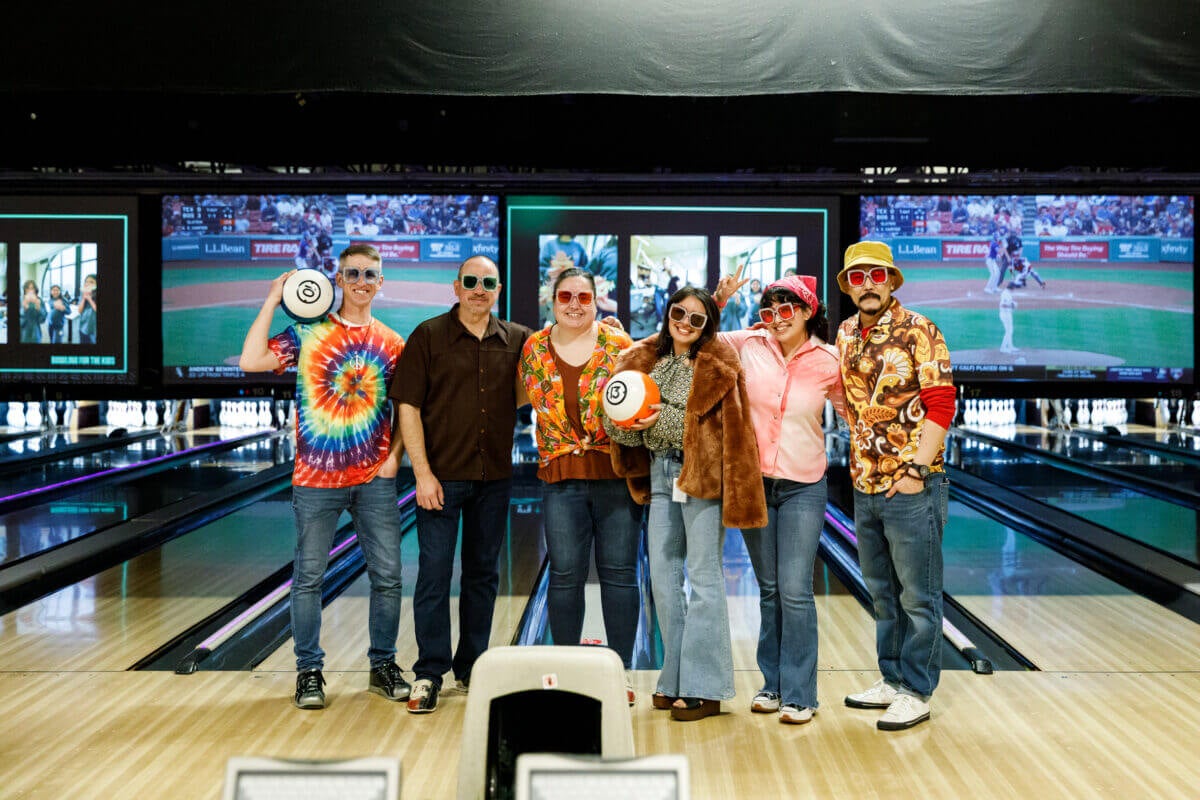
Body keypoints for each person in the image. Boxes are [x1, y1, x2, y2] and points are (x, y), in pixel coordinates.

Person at [239, 243, 409, 711]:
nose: (361, 281)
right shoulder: (308, 332)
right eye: (352, 273)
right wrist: (274, 298)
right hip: (315, 479)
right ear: (337, 278)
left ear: (380, 282)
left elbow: (411, 410)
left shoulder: (393, 344)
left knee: (389, 577)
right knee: (308, 578)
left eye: (369, 274)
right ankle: (308, 672)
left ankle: (382, 665)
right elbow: (251, 361)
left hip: (374, 479)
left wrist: (394, 456)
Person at [605, 286, 767, 722]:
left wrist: (663, 418)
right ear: (668, 312)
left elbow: (719, 429)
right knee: (663, 576)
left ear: (707, 326)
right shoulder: (644, 359)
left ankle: (706, 687)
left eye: (698, 319)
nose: (686, 324)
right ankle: (674, 678)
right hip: (660, 475)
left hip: (700, 475)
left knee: (703, 575)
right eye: (681, 313)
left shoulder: (716, 364)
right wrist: (627, 422)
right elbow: (620, 426)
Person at [390, 255, 533, 714]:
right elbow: (408, 406)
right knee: (434, 575)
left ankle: (471, 666)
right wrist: (423, 473)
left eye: (487, 282)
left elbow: (533, 390)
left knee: (483, 576)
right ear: (456, 287)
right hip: (442, 480)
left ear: (499, 288)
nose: (479, 289)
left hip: (494, 479)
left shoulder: (517, 339)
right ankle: (429, 673)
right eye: (470, 281)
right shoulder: (429, 336)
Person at [711, 268, 846, 725]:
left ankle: (801, 694)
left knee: (793, 590)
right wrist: (720, 300)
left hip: (804, 485)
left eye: (786, 309)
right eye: (769, 310)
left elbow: (853, 412)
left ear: (808, 311)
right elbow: (697, 338)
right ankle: (772, 685)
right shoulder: (747, 344)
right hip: (754, 485)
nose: (776, 317)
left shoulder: (830, 360)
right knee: (769, 590)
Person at [834, 241, 955, 731]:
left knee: (919, 597)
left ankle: (918, 689)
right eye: (858, 278)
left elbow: (942, 405)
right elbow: (848, 399)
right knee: (883, 594)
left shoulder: (920, 330)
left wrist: (915, 472)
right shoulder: (845, 333)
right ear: (849, 286)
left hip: (912, 486)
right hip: (864, 484)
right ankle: (891, 678)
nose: (868, 285)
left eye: (876, 276)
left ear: (891, 281)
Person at [519, 268, 643, 701]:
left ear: (596, 300)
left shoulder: (619, 344)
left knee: (620, 575)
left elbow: (641, 397)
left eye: (583, 297)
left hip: (613, 474)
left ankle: (622, 672)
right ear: (552, 301)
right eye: (566, 296)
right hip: (561, 478)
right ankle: (567, 671)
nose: (575, 304)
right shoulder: (534, 348)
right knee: (566, 575)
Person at [75, 274, 98, 344]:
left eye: (91, 282)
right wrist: (84, 298)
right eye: (86, 281)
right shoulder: (83, 294)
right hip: (83, 327)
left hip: (93, 329)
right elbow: (79, 310)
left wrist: (89, 299)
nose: (88, 283)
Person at [999, 287, 1018, 354]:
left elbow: (1008, 303)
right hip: (1005, 315)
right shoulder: (1005, 294)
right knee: (1008, 331)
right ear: (1012, 288)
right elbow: (1003, 305)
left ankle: (1010, 346)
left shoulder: (1007, 293)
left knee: (1010, 330)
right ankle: (1003, 348)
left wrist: (1012, 304)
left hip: (1008, 314)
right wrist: (1012, 306)